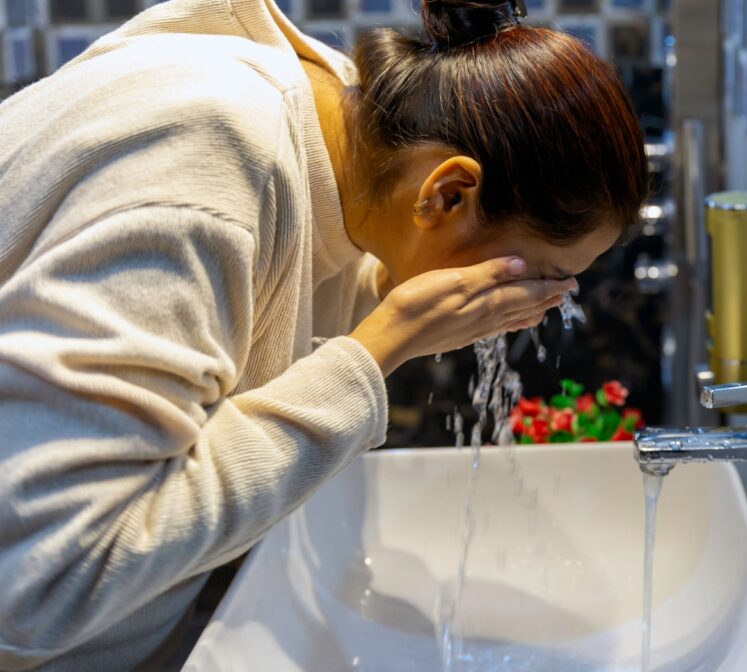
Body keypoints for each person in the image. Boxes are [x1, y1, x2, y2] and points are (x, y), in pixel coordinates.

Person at [0, 0, 649, 665]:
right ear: (448, 194)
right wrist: (375, 351)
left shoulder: (347, 129)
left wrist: (383, 294)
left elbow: (261, 297)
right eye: (531, 276)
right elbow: (38, 579)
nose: (528, 306)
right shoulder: (203, 170)